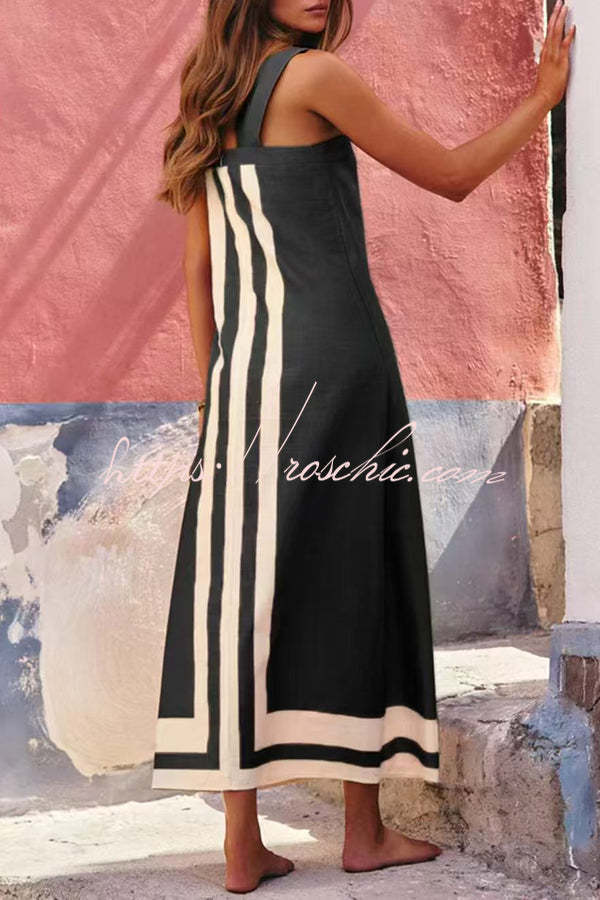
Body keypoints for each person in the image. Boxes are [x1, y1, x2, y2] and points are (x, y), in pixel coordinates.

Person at [151, 0, 574, 893]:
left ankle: (242, 843)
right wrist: (542, 101)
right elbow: (450, 176)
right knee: (356, 572)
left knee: (240, 591)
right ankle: (363, 832)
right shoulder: (315, 76)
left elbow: (199, 268)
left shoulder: (204, 97)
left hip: (241, 373)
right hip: (339, 365)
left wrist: (215, 388)